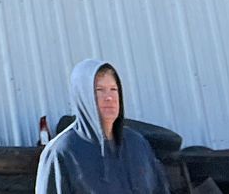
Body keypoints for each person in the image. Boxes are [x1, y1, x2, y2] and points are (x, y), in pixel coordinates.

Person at [35, 58, 170, 194]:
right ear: (83, 96)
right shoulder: (62, 152)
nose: (109, 97)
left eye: (113, 89)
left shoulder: (137, 144)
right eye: (99, 90)